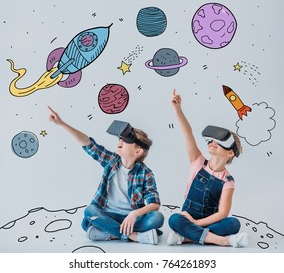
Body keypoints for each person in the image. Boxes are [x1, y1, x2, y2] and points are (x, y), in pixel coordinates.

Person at [48, 106, 164, 245]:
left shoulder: (145, 173)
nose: (120, 141)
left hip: (132, 219)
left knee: (157, 218)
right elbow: (87, 143)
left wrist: (135, 214)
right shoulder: (111, 161)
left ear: (138, 152)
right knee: (90, 212)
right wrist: (61, 123)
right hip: (108, 215)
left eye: (126, 140)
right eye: (120, 138)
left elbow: (154, 204)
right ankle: (135, 236)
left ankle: (109, 234)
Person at [167, 90, 248, 247]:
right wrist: (177, 110)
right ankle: (223, 241)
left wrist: (196, 223)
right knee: (174, 219)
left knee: (233, 224)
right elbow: (187, 134)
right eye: (211, 140)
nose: (212, 142)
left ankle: (186, 237)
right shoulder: (198, 162)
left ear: (230, 152)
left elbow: (223, 213)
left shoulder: (227, 181)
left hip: (207, 220)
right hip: (186, 216)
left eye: (219, 141)